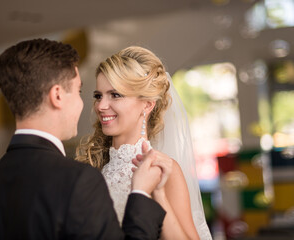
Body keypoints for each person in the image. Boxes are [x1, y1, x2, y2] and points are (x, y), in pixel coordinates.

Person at [0, 39, 173, 240]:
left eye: (114, 95)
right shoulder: (78, 181)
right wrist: (140, 194)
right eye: (78, 91)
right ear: (57, 96)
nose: (93, 105)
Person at [76, 46, 212, 240]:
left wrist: (159, 197)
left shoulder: (163, 169)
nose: (101, 106)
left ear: (147, 104)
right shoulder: (93, 167)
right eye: (98, 96)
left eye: (115, 95)